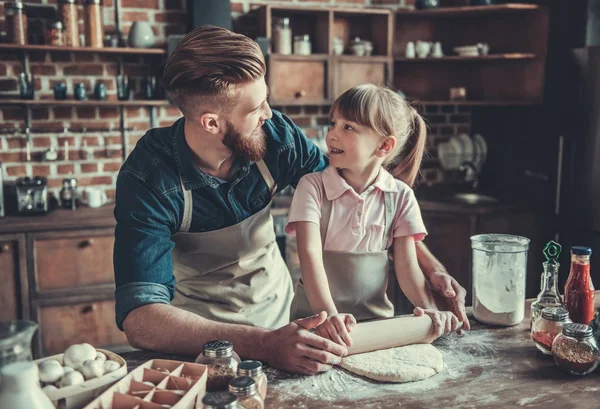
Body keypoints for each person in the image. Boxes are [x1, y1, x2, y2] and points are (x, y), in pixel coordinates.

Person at [113, 25, 470, 376]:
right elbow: (141, 318)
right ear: (211, 123)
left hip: (283, 320)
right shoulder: (149, 178)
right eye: (256, 109)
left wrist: (429, 266)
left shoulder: (275, 137)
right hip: (202, 340)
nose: (269, 114)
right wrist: (261, 344)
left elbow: (348, 196)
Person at [286, 84, 461, 347]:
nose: (332, 134)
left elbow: (406, 266)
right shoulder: (312, 187)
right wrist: (328, 316)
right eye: (333, 123)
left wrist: (429, 309)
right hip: (314, 323)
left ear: (384, 146)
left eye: (348, 127)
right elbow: (309, 256)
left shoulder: (400, 196)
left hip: (376, 326)